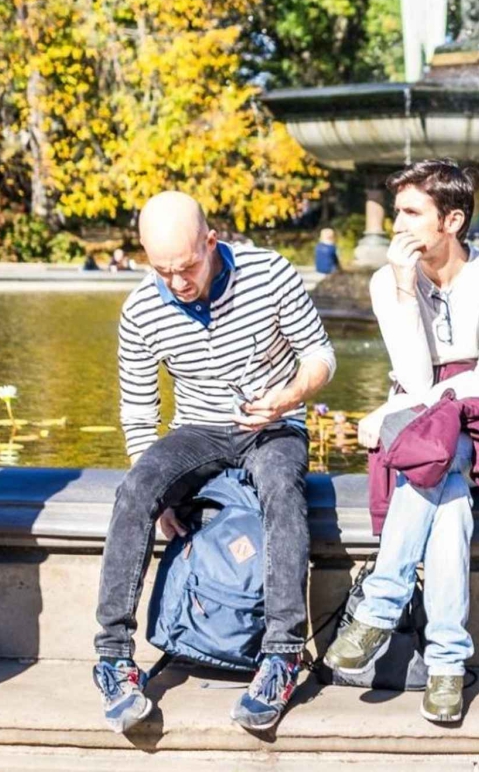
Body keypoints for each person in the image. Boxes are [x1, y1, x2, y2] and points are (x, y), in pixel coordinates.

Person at [94, 191, 336, 733]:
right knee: (135, 489)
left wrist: (288, 397)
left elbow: (320, 355)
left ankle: (281, 655)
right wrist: (159, 497)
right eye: (163, 270)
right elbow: (139, 409)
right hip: (198, 428)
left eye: (187, 267)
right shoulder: (140, 309)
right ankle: (113, 658)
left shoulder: (269, 274)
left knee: (282, 490)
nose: (177, 282)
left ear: (211, 241)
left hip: (273, 422)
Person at [325, 161, 479, 722]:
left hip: (475, 419)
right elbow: (412, 377)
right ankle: (447, 666)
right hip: (417, 417)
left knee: (443, 455)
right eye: (397, 212)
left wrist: (394, 409)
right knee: (450, 503)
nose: (399, 225)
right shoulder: (386, 280)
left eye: (412, 213)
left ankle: (378, 610)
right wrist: (404, 291)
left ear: (452, 220)